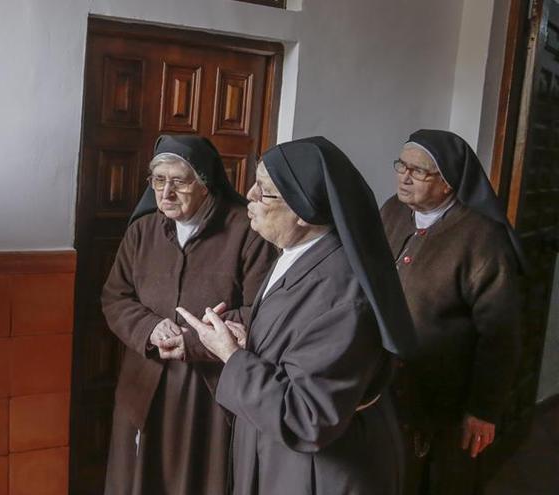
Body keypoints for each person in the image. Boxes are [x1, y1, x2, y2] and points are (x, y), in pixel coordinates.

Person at [178, 136, 417, 495]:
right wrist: (252, 342)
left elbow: (308, 416)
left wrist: (233, 356)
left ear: (304, 211)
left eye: (265, 192)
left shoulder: (343, 290)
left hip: (320, 472)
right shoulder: (298, 252)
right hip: (285, 457)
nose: (250, 196)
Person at [101, 134, 274, 494]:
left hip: (207, 390)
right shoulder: (142, 231)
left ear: (205, 182)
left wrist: (193, 341)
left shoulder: (246, 231)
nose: (165, 193)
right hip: (144, 379)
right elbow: (115, 297)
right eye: (158, 181)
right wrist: (148, 328)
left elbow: (264, 310)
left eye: (178, 181)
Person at [381, 129, 523, 495]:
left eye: (419, 171)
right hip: (387, 385)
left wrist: (484, 409)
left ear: (447, 183)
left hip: (443, 394)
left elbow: (500, 334)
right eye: (401, 165)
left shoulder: (482, 238)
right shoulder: (392, 211)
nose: (404, 176)